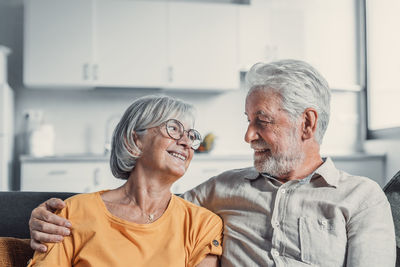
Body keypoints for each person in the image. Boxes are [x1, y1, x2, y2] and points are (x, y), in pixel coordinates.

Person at [29, 60, 396, 266]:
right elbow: (143, 208)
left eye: (261, 121)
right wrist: (45, 214)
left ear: (308, 123)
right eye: (247, 120)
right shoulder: (221, 191)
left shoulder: (360, 198)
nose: (248, 135)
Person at [27, 95, 223, 267]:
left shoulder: (202, 224)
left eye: (191, 136)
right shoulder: (71, 213)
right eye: (174, 129)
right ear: (134, 140)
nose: (186, 142)